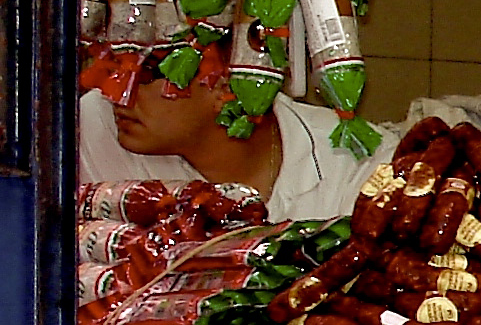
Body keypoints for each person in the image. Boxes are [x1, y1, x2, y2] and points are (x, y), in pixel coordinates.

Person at [80, 62, 376, 223]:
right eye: (114, 66)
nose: (113, 91)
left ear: (225, 84)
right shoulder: (92, 127)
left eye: (145, 74)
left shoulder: (356, 163)